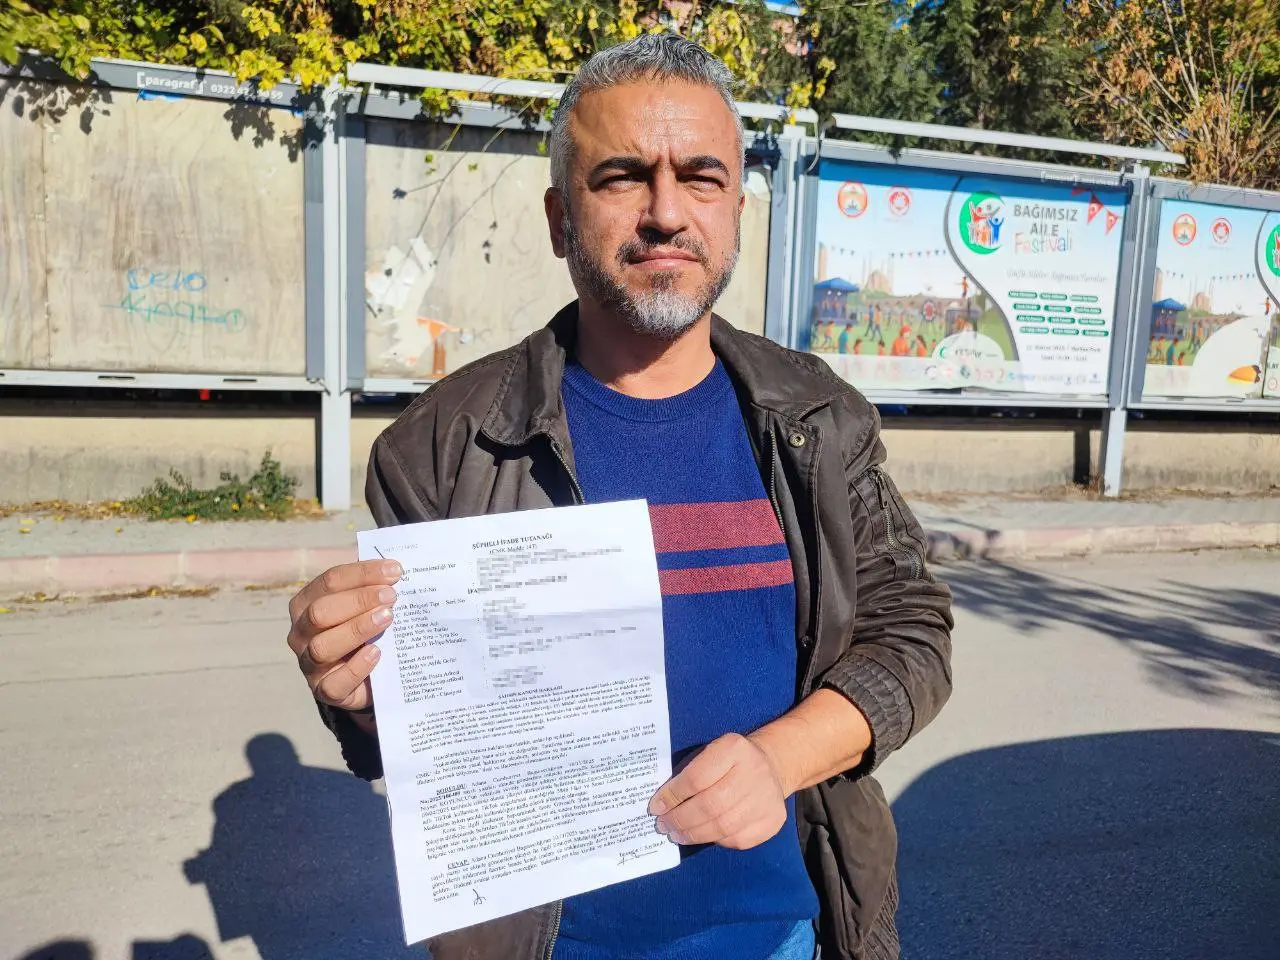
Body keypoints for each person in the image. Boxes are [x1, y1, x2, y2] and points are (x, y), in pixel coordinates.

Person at [286, 33, 952, 960]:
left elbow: (911, 635)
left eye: (702, 178)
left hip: (781, 937)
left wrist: (777, 760)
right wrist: (359, 691)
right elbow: (412, 741)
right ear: (561, 219)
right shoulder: (443, 444)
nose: (666, 212)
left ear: (736, 212)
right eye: (622, 177)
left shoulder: (818, 419)